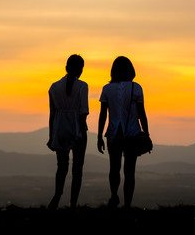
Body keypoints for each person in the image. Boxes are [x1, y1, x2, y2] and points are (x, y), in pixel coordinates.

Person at [97, 56, 150, 208]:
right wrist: (146, 133)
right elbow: (142, 114)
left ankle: (114, 196)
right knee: (129, 172)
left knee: (114, 168)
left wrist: (100, 136)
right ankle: (127, 204)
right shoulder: (137, 88)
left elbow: (103, 115)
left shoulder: (107, 89)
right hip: (132, 134)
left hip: (113, 134)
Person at [47, 54, 89, 210]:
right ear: (81, 69)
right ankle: (72, 204)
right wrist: (81, 130)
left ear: (66, 68)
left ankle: (57, 196)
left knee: (61, 166)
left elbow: (52, 114)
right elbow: (83, 112)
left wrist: (52, 136)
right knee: (77, 168)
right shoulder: (83, 86)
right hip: (77, 129)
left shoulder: (53, 87)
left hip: (60, 130)